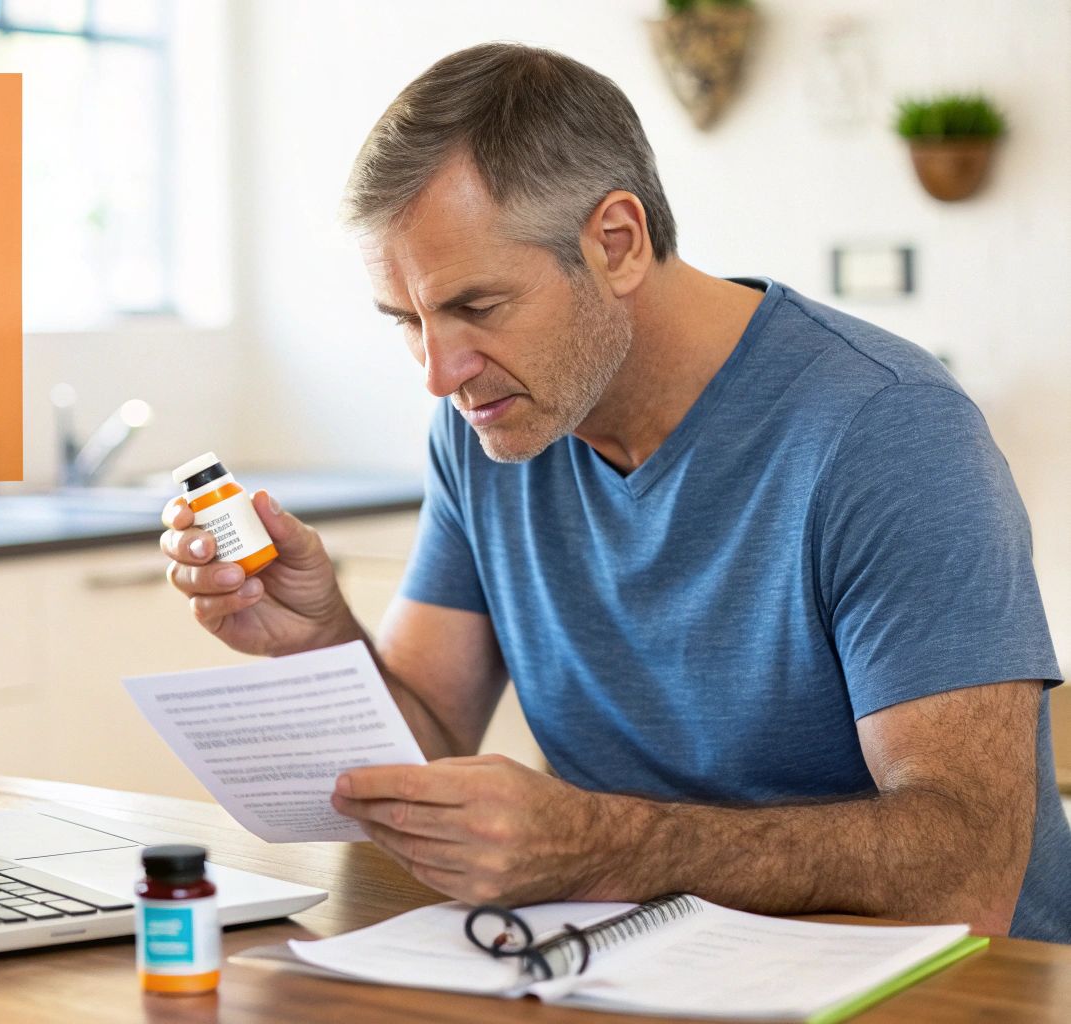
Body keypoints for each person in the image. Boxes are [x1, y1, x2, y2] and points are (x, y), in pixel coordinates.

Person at [159, 42, 1068, 942]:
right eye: (408, 321)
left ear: (617, 243)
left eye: (476, 306)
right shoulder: (488, 426)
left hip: (948, 992)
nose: (439, 374)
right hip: (635, 969)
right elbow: (429, 738)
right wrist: (318, 639)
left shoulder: (885, 428)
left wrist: (602, 843)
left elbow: (967, 868)